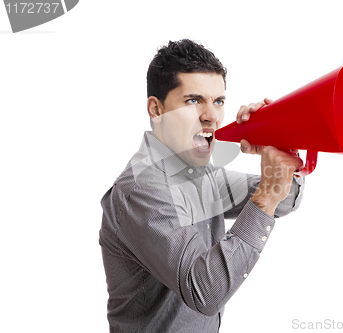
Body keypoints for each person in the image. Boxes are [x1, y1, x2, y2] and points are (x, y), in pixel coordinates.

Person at [99, 39, 305, 332]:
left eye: (218, 101)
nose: (212, 116)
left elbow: (286, 198)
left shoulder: (201, 175)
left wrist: (280, 138)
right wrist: (266, 198)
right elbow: (206, 292)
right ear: (156, 109)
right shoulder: (141, 189)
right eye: (194, 100)